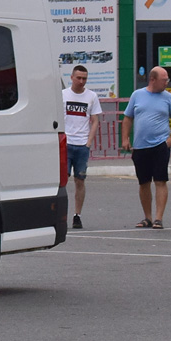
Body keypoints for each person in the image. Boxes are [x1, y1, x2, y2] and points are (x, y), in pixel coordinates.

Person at [120, 66, 171, 230]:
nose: (166, 83)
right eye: (164, 80)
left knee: (161, 180)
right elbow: (127, 118)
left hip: (160, 145)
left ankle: (158, 218)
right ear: (153, 80)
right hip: (140, 146)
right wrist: (125, 138)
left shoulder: (168, 98)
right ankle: (147, 217)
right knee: (144, 182)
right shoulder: (137, 95)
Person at [62, 65, 101, 230]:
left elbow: (95, 120)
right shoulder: (63, 95)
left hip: (82, 145)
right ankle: (60, 214)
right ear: (71, 77)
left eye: (84, 78)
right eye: (78, 78)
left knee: (80, 180)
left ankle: (77, 215)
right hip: (66, 143)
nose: (81, 81)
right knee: (61, 181)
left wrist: (89, 141)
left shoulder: (91, 96)